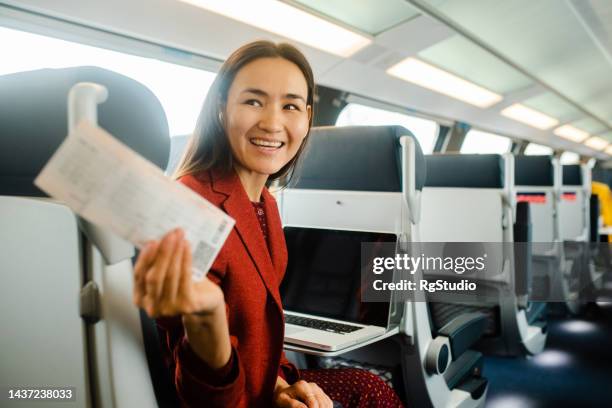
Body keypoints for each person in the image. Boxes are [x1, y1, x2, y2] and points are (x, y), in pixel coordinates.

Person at [133, 40, 404, 408]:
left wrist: (280, 388)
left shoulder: (266, 205)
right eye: (253, 101)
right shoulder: (191, 208)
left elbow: (259, 342)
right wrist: (208, 322)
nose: (272, 123)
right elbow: (198, 392)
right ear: (220, 109)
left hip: (261, 385)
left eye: (290, 106)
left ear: (307, 118)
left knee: (367, 387)